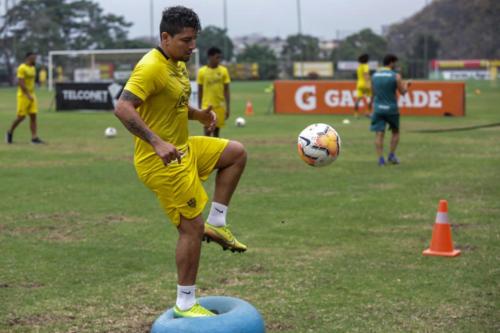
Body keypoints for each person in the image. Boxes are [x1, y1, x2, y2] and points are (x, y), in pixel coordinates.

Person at [113, 6, 247, 318]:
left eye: (194, 39)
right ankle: (185, 302)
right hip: (161, 162)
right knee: (190, 229)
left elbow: (171, 103)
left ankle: (218, 222)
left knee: (236, 153)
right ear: (165, 37)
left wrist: (197, 113)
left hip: (185, 149)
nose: (192, 46)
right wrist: (156, 141)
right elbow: (123, 107)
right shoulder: (150, 67)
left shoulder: (177, 63)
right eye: (186, 40)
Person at [370, 54, 411, 166]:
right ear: (391, 62)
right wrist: (407, 85)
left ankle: (380, 159)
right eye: (395, 63)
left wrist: (370, 106)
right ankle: (391, 155)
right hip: (391, 109)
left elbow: (372, 94)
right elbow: (402, 92)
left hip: (378, 109)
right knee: (395, 132)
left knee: (379, 134)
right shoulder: (396, 76)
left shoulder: (374, 75)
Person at [6, 52, 45, 144]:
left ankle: (34, 138)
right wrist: (27, 94)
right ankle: (9, 132)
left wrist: (31, 94)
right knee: (21, 117)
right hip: (23, 96)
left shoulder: (33, 68)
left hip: (32, 95)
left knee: (33, 116)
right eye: (34, 58)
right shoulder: (22, 68)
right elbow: (21, 82)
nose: (35, 60)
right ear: (28, 58)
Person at [197, 47, 231, 137]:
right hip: (206, 106)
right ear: (210, 57)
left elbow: (226, 90)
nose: (219, 60)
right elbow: (200, 91)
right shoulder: (202, 72)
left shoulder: (224, 71)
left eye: (220, 57)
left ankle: (216, 151)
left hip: (219, 106)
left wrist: (228, 107)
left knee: (216, 134)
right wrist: (199, 108)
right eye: (217, 57)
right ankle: (206, 151)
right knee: (207, 132)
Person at [354, 53, 372, 118]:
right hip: (365, 84)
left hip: (359, 84)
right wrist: (368, 84)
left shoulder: (359, 66)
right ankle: (369, 112)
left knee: (358, 99)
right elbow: (366, 74)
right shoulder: (365, 66)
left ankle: (356, 114)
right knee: (369, 98)